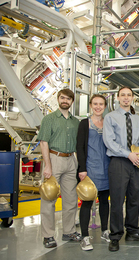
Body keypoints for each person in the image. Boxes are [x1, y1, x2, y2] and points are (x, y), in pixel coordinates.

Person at [103, 86, 139, 252]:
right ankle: (115, 236)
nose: (125, 98)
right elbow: (109, 142)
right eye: (122, 95)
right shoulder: (110, 117)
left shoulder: (137, 119)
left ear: (132, 98)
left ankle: (132, 231)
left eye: (128, 95)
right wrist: (127, 154)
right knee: (117, 200)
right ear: (118, 98)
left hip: (135, 163)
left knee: (134, 198)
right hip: (118, 162)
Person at [37, 88, 81, 248]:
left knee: (71, 199)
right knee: (49, 198)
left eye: (68, 99)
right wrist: (47, 166)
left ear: (71, 102)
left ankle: (68, 231)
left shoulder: (75, 122)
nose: (65, 101)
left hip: (71, 160)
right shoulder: (49, 119)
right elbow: (43, 142)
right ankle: (48, 235)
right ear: (58, 99)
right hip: (54, 159)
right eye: (62, 98)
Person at [76, 94, 111, 251]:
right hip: (90, 169)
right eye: (95, 104)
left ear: (105, 106)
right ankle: (84, 236)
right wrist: (82, 169)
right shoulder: (84, 123)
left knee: (104, 201)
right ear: (91, 105)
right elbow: (80, 147)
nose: (98, 107)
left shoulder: (108, 123)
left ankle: (105, 231)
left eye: (101, 104)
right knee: (87, 202)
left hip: (107, 168)